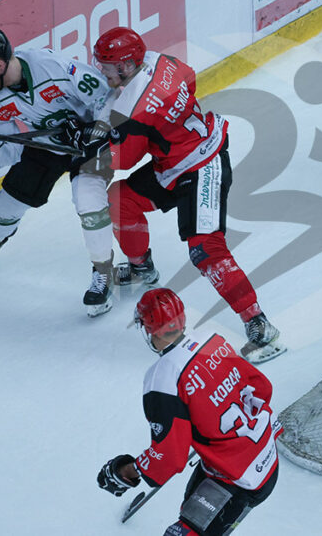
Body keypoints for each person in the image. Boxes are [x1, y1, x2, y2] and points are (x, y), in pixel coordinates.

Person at [88, 26, 285, 363]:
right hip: (175, 162)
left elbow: (123, 160)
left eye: (106, 67)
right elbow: (189, 79)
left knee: (206, 250)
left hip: (203, 164)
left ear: (125, 66)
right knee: (121, 199)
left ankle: (260, 325)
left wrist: (95, 145)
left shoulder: (132, 107)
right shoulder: (159, 60)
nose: (102, 72)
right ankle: (141, 267)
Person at [0, 24, 119, 317]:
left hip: (88, 149)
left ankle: (104, 272)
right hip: (46, 147)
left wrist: (94, 131)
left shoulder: (52, 66)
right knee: (8, 201)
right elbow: (8, 149)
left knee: (89, 205)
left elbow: (107, 97)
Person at [96, 288, 281, 535]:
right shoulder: (213, 340)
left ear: (150, 329)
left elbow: (170, 455)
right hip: (264, 455)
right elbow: (261, 387)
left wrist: (128, 472)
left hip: (238, 481)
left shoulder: (162, 378)